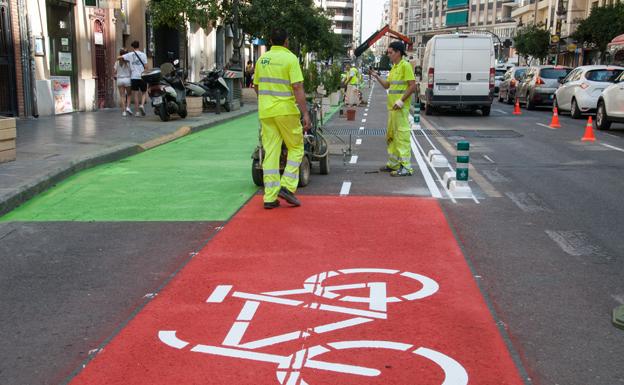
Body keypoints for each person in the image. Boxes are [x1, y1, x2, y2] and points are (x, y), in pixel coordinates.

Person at [254, 28, 311, 209]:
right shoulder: (290, 59)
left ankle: (270, 197)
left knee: (271, 152)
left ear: (271, 41)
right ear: (286, 41)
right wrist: (305, 113)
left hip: (266, 111)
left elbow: (256, 86)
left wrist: (267, 100)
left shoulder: (261, 60)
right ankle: (286, 185)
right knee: (296, 147)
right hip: (285, 110)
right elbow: (297, 87)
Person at [369, 41, 417, 177]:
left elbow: (412, 86)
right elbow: (386, 86)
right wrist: (376, 76)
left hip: (400, 110)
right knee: (392, 137)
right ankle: (394, 164)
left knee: (402, 137)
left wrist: (401, 101)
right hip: (392, 109)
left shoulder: (405, 66)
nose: (388, 55)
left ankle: (406, 167)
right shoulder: (394, 68)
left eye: (390, 52)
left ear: (398, 52)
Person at [119, 41, 148, 117]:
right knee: (144, 92)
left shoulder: (130, 55)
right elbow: (146, 67)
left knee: (135, 94)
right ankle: (142, 105)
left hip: (134, 77)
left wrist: (123, 60)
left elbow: (120, 57)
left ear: (132, 47)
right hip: (142, 76)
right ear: (139, 46)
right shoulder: (143, 55)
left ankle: (137, 112)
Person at [113, 49, 132, 117]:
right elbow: (131, 71)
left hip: (119, 80)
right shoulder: (129, 62)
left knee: (122, 96)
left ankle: (123, 112)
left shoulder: (117, 62)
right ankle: (128, 107)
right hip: (127, 79)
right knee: (129, 95)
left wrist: (116, 75)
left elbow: (114, 72)